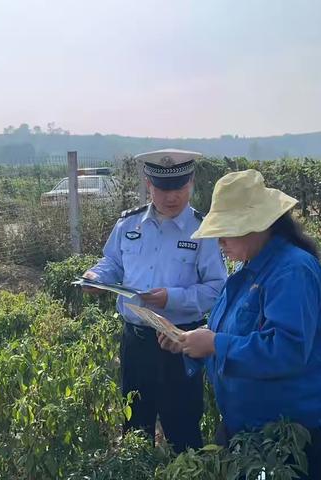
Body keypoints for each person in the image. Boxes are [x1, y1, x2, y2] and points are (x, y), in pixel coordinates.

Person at [159, 169, 321, 479]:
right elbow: (232, 334)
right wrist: (190, 342)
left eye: (226, 231)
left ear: (258, 226)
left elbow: (287, 349)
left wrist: (215, 344)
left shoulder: (291, 272)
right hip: (248, 429)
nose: (219, 242)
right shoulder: (248, 270)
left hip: (293, 436)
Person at [83, 149, 227, 453]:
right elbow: (112, 263)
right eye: (162, 189)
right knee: (135, 425)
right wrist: (96, 276)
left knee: (183, 428)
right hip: (136, 341)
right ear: (149, 184)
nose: (171, 197)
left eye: (179, 188)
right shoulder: (129, 224)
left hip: (180, 341)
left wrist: (171, 298)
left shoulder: (204, 230)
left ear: (191, 184)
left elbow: (216, 288)